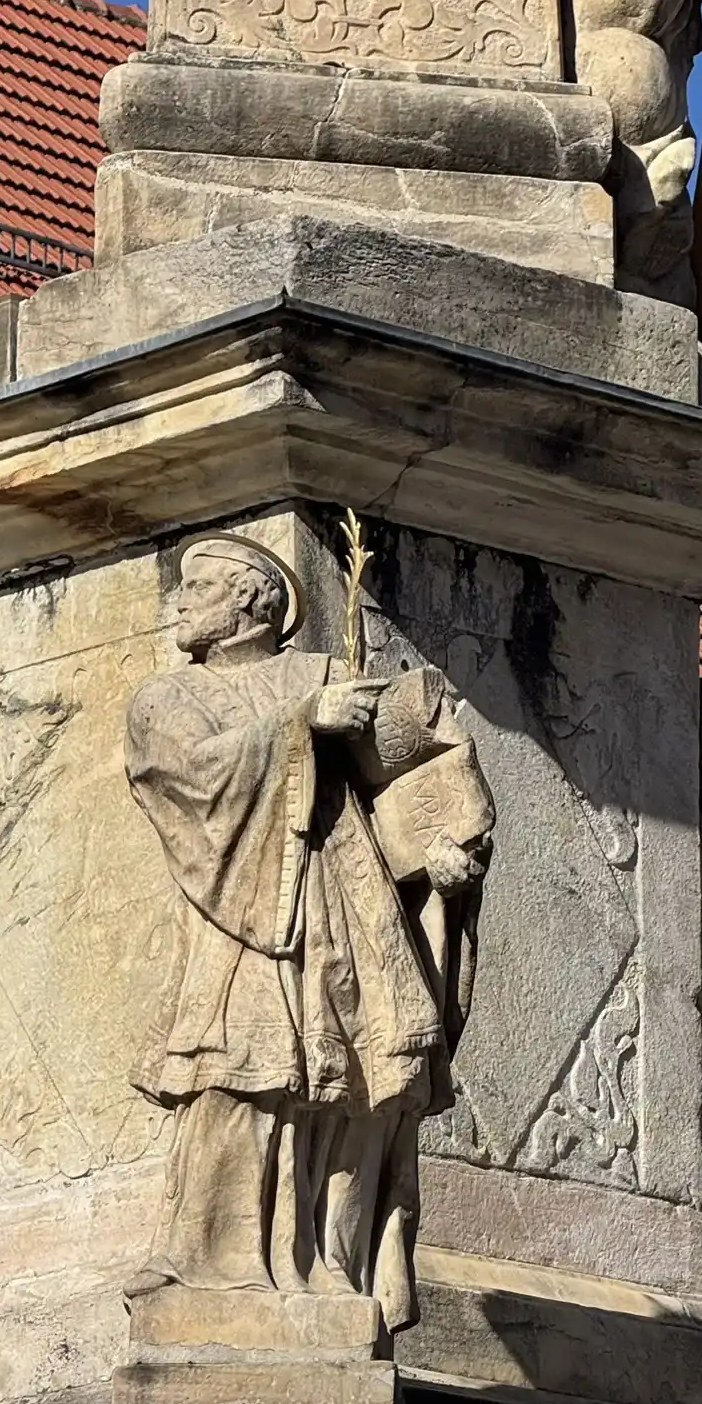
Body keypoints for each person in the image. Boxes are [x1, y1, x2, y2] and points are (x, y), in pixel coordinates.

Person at [123, 533, 489, 1333]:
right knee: (238, 1074)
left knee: (344, 1086)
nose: (176, 603)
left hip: (345, 909)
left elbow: (400, 779)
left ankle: (326, 1262)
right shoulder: (168, 700)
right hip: (245, 916)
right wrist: (299, 725)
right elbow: (185, 777)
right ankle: (211, 1260)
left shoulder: (320, 673)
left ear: (249, 603)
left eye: (197, 588)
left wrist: (442, 852)